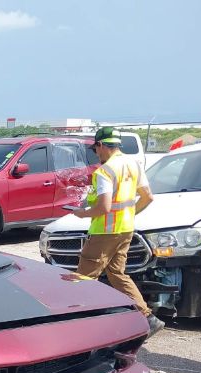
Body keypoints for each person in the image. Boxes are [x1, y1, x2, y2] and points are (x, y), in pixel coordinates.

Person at [72, 126, 165, 337]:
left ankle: (82, 327)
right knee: (117, 274)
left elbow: (103, 207)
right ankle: (148, 318)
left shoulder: (105, 171)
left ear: (101, 145)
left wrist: (83, 214)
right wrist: (130, 215)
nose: (96, 153)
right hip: (125, 230)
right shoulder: (134, 164)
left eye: (96, 148)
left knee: (84, 277)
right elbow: (147, 196)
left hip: (104, 232)